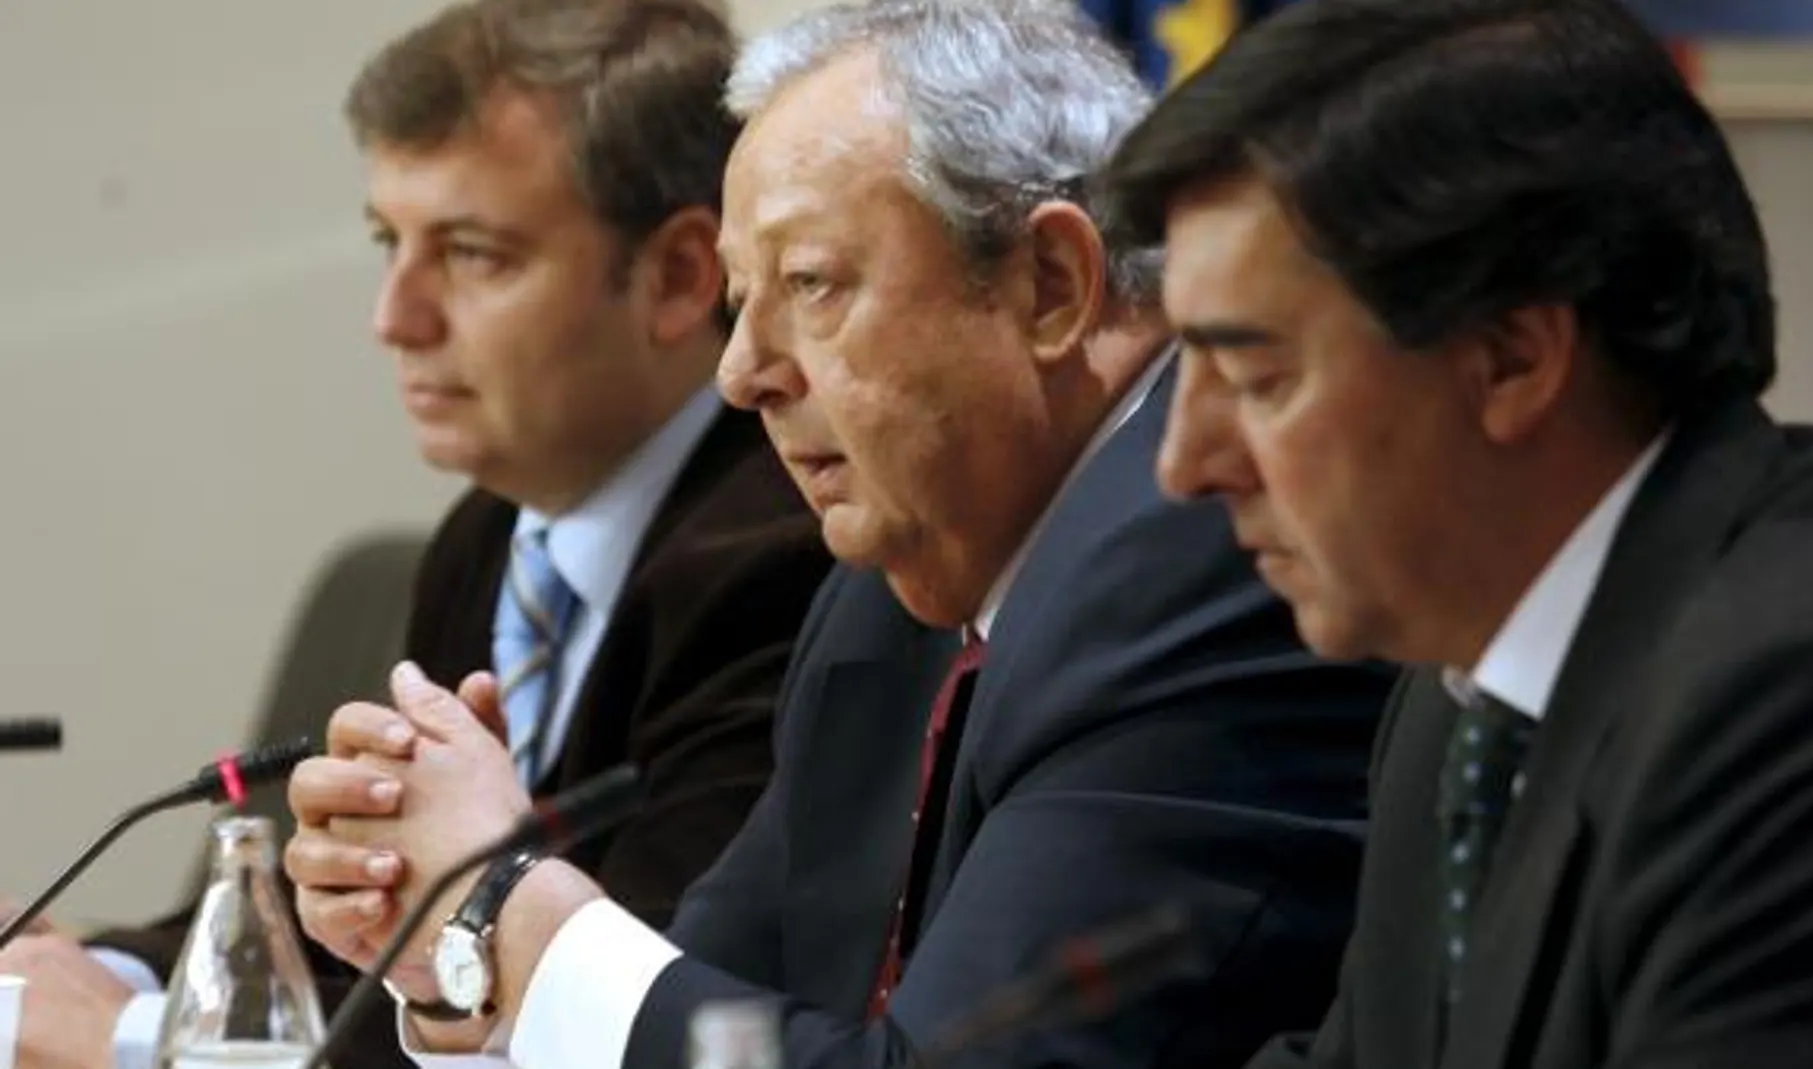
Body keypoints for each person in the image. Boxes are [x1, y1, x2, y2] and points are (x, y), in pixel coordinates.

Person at [284, 2, 1395, 1069]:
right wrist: (454, 969)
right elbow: (712, 1003)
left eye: (810, 285)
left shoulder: (1207, 562)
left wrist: (507, 909)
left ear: (1050, 286)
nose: (741, 370)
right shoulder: (892, 588)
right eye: (740, 296)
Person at [0, 3, 832, 1069]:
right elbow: (353, 934)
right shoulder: (491, 533)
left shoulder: (789, 553)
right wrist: (78, 977)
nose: (394, 317)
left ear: (678, 276)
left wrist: (124, 1043)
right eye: (390, 244)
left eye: (473, 254)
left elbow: (626, 998)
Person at [1098, 0, 1813, 1066]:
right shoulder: (1455, 693)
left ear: (1514, 358)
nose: (1183, 465)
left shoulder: (1805, 696)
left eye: (1255, 378)